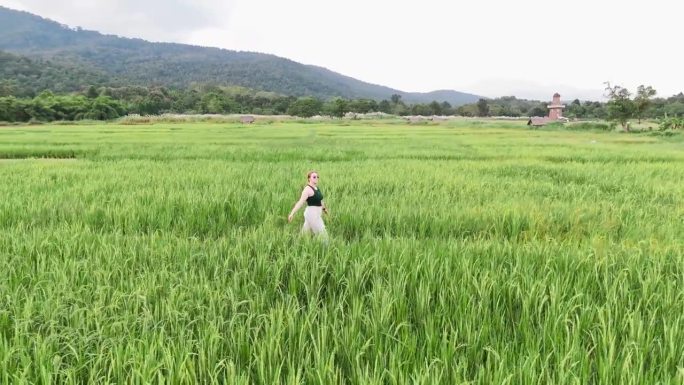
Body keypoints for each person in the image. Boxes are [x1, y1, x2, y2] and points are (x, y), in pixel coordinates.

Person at [288, 170, 328, 237]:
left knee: (305, 233)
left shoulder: (317, 188)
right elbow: (300, 202)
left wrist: (324, 209)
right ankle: (326, 246)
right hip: (312, 214)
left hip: (317, 213)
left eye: (317, 177)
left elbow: (320, 200)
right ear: (309, 178)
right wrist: (292, 213)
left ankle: (299, 243)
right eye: (314, 177)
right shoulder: (307, 189)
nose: (316, 178)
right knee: (322, 233)